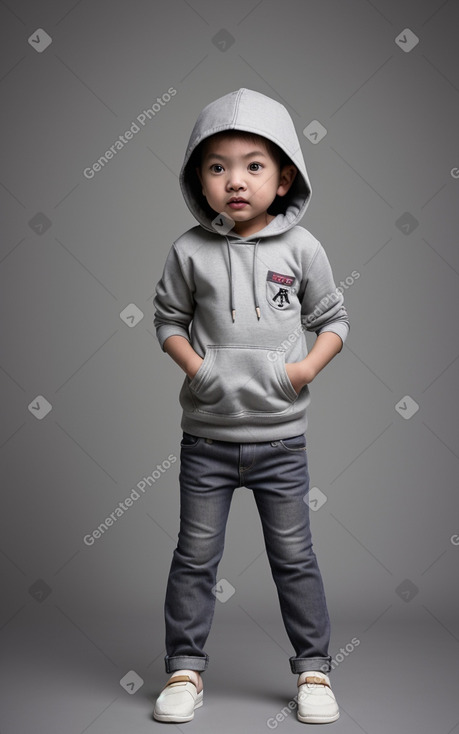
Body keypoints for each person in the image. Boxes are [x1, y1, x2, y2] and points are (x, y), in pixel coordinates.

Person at [152, 87, 350, 724]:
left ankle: (314, 673)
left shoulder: (303, 249)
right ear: (199, 180)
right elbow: (166, 322)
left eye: (254, 165)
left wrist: (299, 374)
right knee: (194, 556)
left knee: (295, 557)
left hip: (281, 443)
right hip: (207, 442)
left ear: (285, 174)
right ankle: (185, 670)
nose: (235, 179)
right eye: (217, 166)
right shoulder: (188, 251)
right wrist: (201, 371)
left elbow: (336, 320)